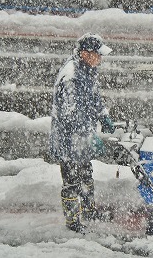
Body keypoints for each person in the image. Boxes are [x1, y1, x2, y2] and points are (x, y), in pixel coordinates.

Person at [49, 33, 115, 233]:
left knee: (86, 174)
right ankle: (73, 222)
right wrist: (88, 134)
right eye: (98, 55)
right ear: (86, 54)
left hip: (82, 135)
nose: (101, 59)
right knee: (71, 181)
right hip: (68, 139)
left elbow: (93, 97)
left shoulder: (88, 70)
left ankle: (89, 210)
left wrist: (103, 115)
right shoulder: (71, 76)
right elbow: (70, 115)